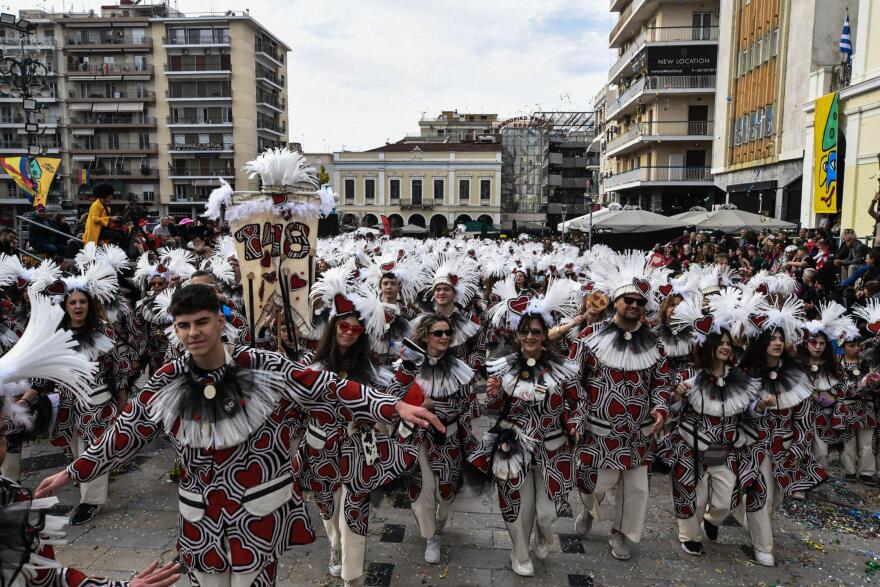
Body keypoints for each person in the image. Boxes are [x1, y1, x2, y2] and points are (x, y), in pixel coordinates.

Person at [35, 285, 441, 587]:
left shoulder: (262, 364)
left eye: (201, 322)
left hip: (257, 515)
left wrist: (392, 406)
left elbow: (329, 388)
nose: (193, 333)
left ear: (219, 320)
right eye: (183, 326)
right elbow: (126, 430)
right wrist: (73, 471)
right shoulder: (167, 379)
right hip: (199, 519)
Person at [470, 283, 581, 576]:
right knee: (518, 504)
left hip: (552, 448)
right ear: (517, 335)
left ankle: (544, 532)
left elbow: (575, 403)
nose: (530, 336)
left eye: (535, 331)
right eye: (524, 332)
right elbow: (493, 407)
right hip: (513, 445)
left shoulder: (563, 367)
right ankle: (520, 553)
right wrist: (493, 394)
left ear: (545, 334)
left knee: (547, 511)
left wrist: (575, 424)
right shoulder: (503, 366)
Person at [569, 251, 671, 561]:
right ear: (616, 301)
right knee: (593, 485)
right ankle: (590, 510)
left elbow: (662, 381)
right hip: (598, 431)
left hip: (638, 434)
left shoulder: (656, 342)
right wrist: (576, 417)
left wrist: (661, 408)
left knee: (636, 489)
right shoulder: (588, 337)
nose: (635, 306)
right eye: (629, 300)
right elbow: (574, 381)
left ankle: (621, 533)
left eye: (640, 302)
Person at [664, 294, 759, 557]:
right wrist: (677, 395)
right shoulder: (689, 376)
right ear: (709, 346)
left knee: (724, 498)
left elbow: (747, 411)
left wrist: (759, 407)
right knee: (691, 493)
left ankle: (712, 520)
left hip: (722, 448)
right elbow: (671, 409)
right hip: (691, 446)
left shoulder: (739, 378)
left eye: (729, 343)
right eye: (722, 343)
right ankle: (689, 535)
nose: (727, 347)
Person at [738, 296, 829, 567]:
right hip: (755, 446)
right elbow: (738, 411)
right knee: (761, 495)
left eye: (780, 338)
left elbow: (804, 416)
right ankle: (763, 547)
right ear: (761, 343)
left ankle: (753, 522)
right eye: (771, 338)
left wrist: (800, 445)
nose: (777, 342)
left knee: (776, 498)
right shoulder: (747, 373)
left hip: (786, 448)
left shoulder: (797, 374)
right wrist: (757, 407)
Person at [404, 313, 477, 565]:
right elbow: (395, 394)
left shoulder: (460, 367)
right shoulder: (408, 364)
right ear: (426, 336)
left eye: (447, 333)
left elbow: (469, 403)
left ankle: (441, 517)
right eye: (438, 333)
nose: (444, 337)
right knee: (423, 489)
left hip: (449, 437)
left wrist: (433, 404)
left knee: (446, 492)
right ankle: (430, 536)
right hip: (419, 437)